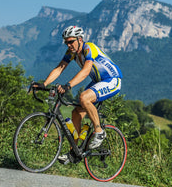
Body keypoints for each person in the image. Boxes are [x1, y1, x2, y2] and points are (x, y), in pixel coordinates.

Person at [34, 25, 123, 164]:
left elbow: (86, 70)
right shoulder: (72, 53)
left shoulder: (89, 48)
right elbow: (60, 68)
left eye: (71, 41)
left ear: (80, 39)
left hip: (112, 80)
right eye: (66, 42)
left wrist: (68, 85)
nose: (68, 45)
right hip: (98, 81)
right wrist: (44, 84)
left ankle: (99, 131)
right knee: (75, 113)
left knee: (84, 97)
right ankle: (73, 152)